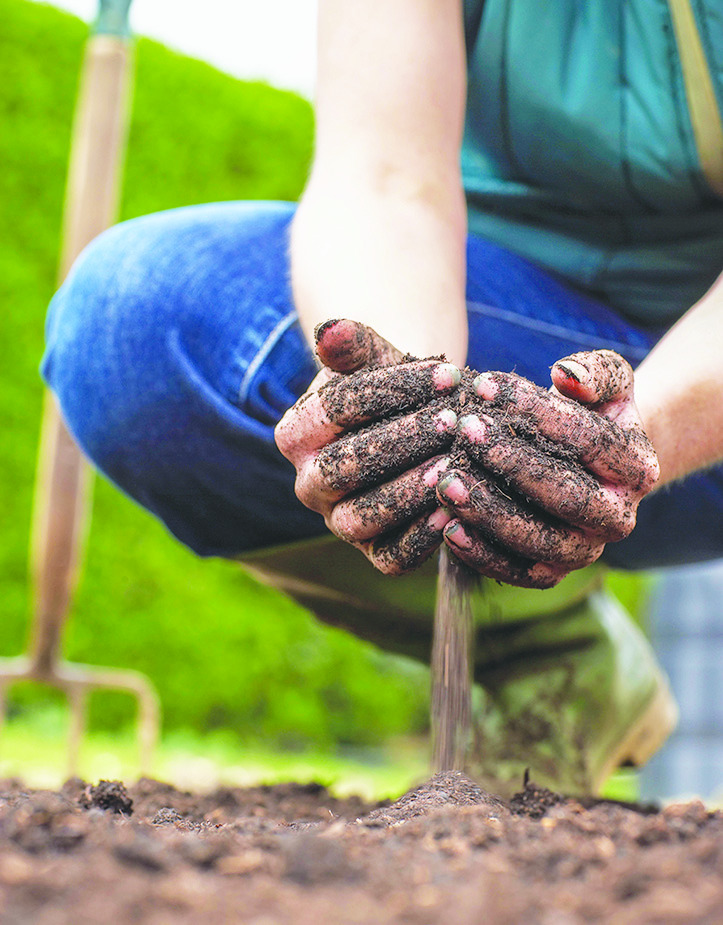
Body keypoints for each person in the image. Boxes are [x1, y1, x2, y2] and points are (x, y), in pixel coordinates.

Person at [42, 1, 723, 795]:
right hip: (516, 320)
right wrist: (390, 395)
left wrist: (642, 432)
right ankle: (543, 654)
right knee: (136, 316)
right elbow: (385, 179)